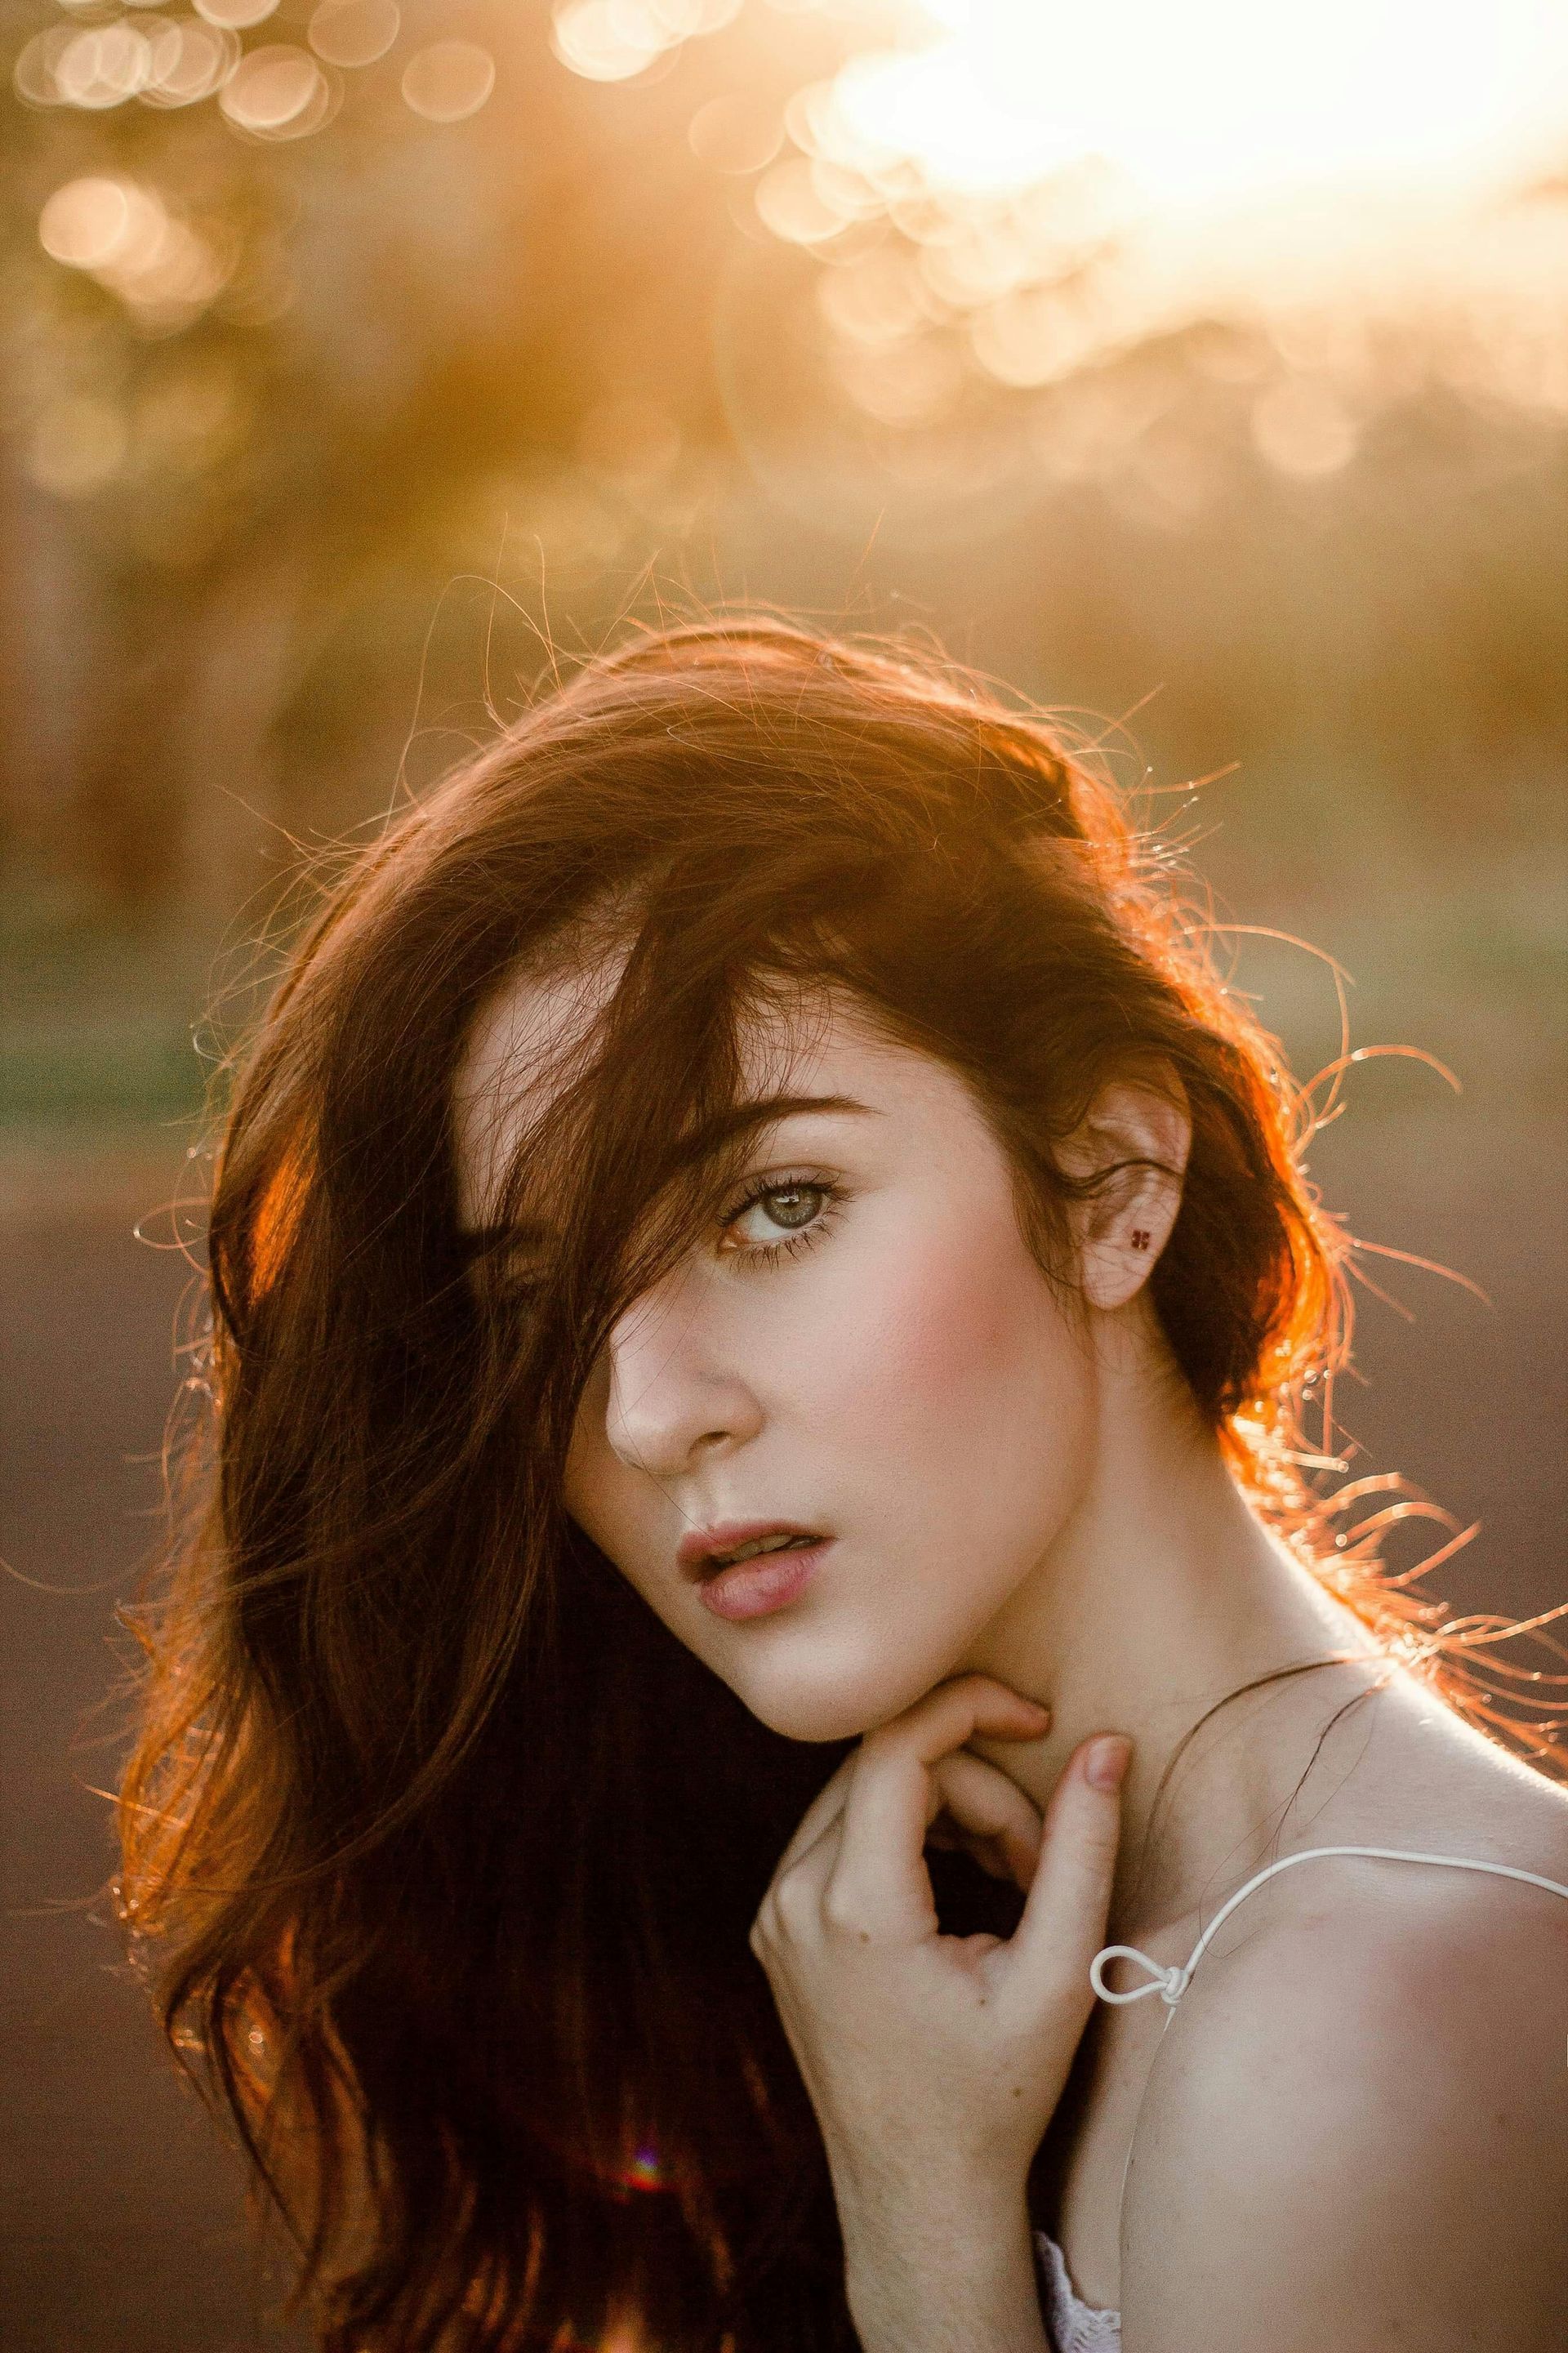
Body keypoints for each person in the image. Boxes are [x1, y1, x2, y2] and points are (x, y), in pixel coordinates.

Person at [117, 617, 1568, 2353]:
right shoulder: (916, 1960)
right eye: (539, 1301)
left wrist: (924, 2234)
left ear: (1114, 1174)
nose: (648, 1413)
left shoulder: (1368, 2019)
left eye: (774, 1205)